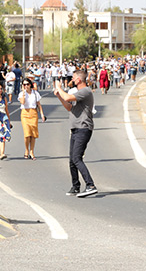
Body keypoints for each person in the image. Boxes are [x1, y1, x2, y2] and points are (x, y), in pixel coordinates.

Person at [53, 69, 98, 198]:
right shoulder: (78, 93)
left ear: (79, 79)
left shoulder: (85, 91)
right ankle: (76, 186)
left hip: (83, 128)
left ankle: (90, 185)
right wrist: (58, 95)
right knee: (72, 159)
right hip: (75, 128)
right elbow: (69, 107)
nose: (72, 80)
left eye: (73, 78)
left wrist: (59, 88)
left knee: (77, 158)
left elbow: (67, 96)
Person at [18, 78, 45, 160]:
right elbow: (22, 102)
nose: (26, 86)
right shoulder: (21, 94)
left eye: (27, 84)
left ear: (30, 85)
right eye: (24, 85)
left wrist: (42, 114)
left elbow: (39, 105)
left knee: (33, 134)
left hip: (33, 113)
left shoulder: (35, 93)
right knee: (27, 134)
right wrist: (23, 92)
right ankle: (26, 150)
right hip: (25, 113)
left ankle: (32, 151)